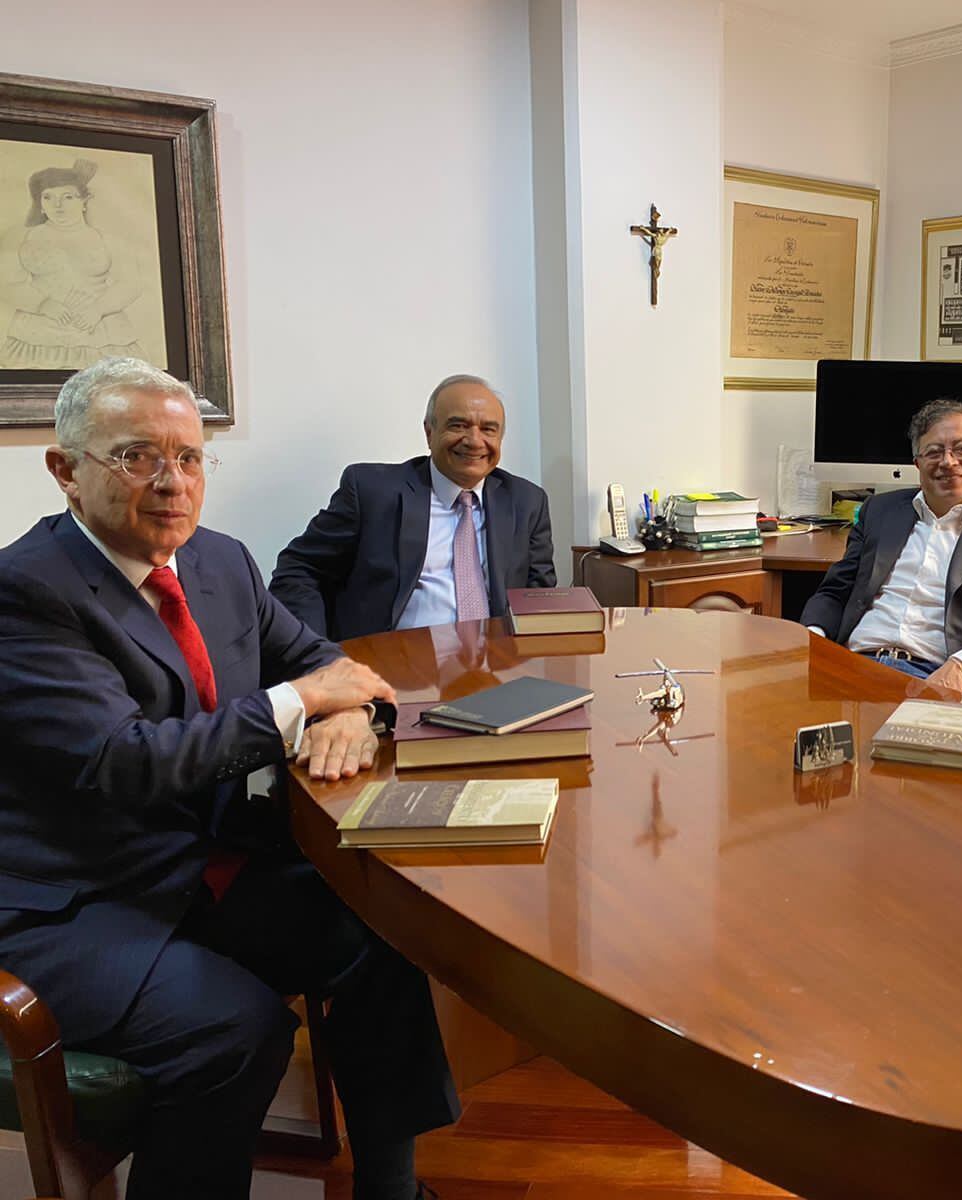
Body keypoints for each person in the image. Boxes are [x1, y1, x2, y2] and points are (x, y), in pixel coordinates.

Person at [0, 358, 458, 1199]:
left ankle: (391, 1190)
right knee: (235, 1032)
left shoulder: (220, 561)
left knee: (385, 933)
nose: (173, 482)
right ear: (65, 470)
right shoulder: (26, 591)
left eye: (189, 457)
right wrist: (303, 701)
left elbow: (324, 663)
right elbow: (124, 761)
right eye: (137, 456)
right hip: (81, 903)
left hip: (206, 868)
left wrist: (350, 713)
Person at [799, 397, 962, 699]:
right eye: (934, 452)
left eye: (961, 449)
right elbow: (835, 590)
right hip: (853, 666)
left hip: (938, 678)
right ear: (918, 464)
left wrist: (961, 667)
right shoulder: (880, 510)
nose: (948, 461)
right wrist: (813, 641)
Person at [270, 374, 556, 639]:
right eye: (458, 425)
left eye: (488, 429)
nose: (473, 441)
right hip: (392, 663)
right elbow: (299, 569)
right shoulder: (372, 492)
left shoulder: (527, 502)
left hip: (497, 663)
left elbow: (538, 599)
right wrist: (316, 653)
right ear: (429, 432)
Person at [0, 159, 149, 369]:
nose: (58, 205)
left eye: (68, 197)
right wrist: (43, 305)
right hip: (38, 334)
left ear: (84, 201)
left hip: (99, 332)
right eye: (48, 197)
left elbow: (131, 283)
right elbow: (6, 284)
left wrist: (97, 310)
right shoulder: (21, 239)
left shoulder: (108, 240)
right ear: (40, 204)